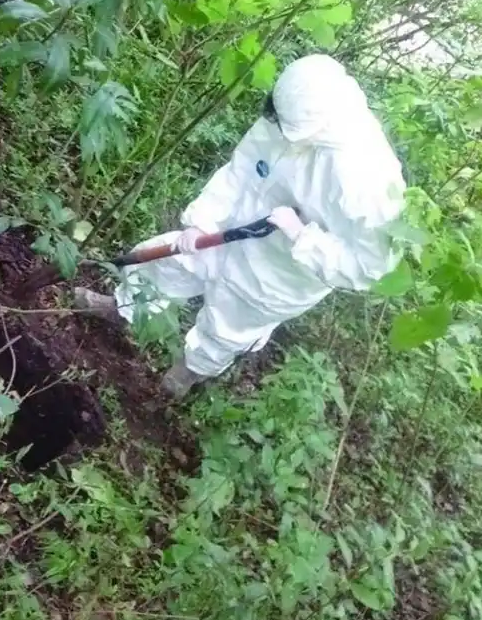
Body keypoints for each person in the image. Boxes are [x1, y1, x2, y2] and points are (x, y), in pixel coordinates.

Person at [75, 54, 405, 399]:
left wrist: (302, 237)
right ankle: (121, 309)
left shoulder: (369, 181)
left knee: (226, 328)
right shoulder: (288, 113)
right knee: (163, 262)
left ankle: (187, 372)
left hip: (278, 275)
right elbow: (242, 168)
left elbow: (368, 267)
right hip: (227, 231)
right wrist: (202, 221)